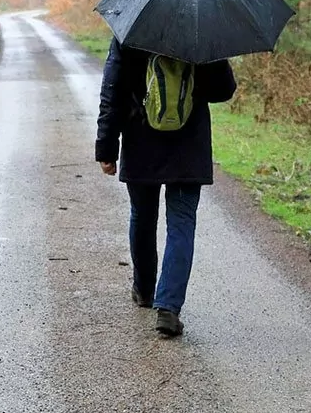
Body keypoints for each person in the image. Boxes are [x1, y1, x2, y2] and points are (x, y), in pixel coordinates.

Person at [95, 38, 237, 337]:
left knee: (143, 217)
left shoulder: (131, 32)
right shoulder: (202, 33)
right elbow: (223, 91)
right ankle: (168, 308)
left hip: (140, 140)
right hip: (188, 147)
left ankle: (144, 290)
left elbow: (113, 91)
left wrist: (106, 148)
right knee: (181, 224)